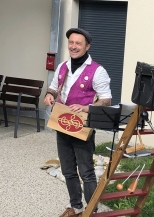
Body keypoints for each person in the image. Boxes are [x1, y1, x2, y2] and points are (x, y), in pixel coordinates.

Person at [44, 28, 112, 217]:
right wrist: (49, 95)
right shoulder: (63, 66)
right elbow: (54, 87)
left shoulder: (97, 71)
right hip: (62, 123)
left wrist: (87, 107)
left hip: (82, 126)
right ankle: (76, 207)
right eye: (71, 42)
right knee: (67, 170)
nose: (73, 47)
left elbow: (106, 100)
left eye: (78, 43)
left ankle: (91, 210)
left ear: (87, 46)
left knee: (86, 172)